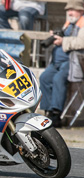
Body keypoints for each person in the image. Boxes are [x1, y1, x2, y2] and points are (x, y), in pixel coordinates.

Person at [39, 0, 84, 128]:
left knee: (58, 79)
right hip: (57, 62)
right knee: (44, 78)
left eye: (72, 10)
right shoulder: (70, 23)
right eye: (68, 10)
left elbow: (81, 42)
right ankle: (47, 110)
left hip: (74, 62)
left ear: (81, 11)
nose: (69, 12)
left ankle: (56, 114)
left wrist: (62, 41)